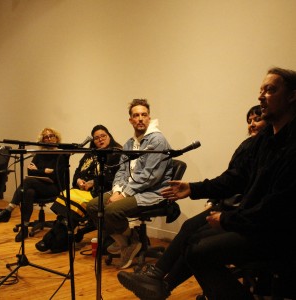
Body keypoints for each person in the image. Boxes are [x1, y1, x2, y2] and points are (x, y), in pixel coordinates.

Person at [117, 67, 296, 300]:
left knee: (199, 249)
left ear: (292, 95)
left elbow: (276, 209)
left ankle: (162, 285)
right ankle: (159, 283)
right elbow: (235, 178)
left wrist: (227, 219)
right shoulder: (265, 139)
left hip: (277, 232)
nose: (261, 96)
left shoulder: (291, 145)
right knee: (194, 238)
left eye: (270, 90)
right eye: (260, 90)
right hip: (255, 221)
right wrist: (194, 188)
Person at [86, 98, 173, 269]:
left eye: (144, 115)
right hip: (131, 189)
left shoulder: (158, 141)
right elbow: (121, 171)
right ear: (130, 120)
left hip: (152, 192)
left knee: (111, 210)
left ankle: (129, 242)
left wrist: (123, 194)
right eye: (136, 115)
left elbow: (150, 177)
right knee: (93, 206)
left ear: (149, 118)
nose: (140, 118)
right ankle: (128, 240)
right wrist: (118, 189)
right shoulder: (129, 143)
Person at [35, 125, 122, 252]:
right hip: (82, 190)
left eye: (103, 136)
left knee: (72, 208)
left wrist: (93, 183)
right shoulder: (90, 153)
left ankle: (53, 241)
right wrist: (78, 180)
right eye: (96, 138)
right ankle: (57, 241)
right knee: (66, 198)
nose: (100, 140)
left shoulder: (116, 153)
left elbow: (115, 177)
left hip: (101, 191)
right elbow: (77, 171)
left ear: (109, 136)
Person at [0, 127, 66, 242]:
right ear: (42, 140)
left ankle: (8, 210)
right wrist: (44, 171)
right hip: (38, 186)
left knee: (27, 181)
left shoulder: (61, 154)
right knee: (29, 192)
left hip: (54, 187)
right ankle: (24, 228)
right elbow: (30, 171)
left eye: (51, 136)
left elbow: (54, 175)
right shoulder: (40, 153)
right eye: (46, 137)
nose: (49, 139)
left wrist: (39, 170)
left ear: (56, 138)